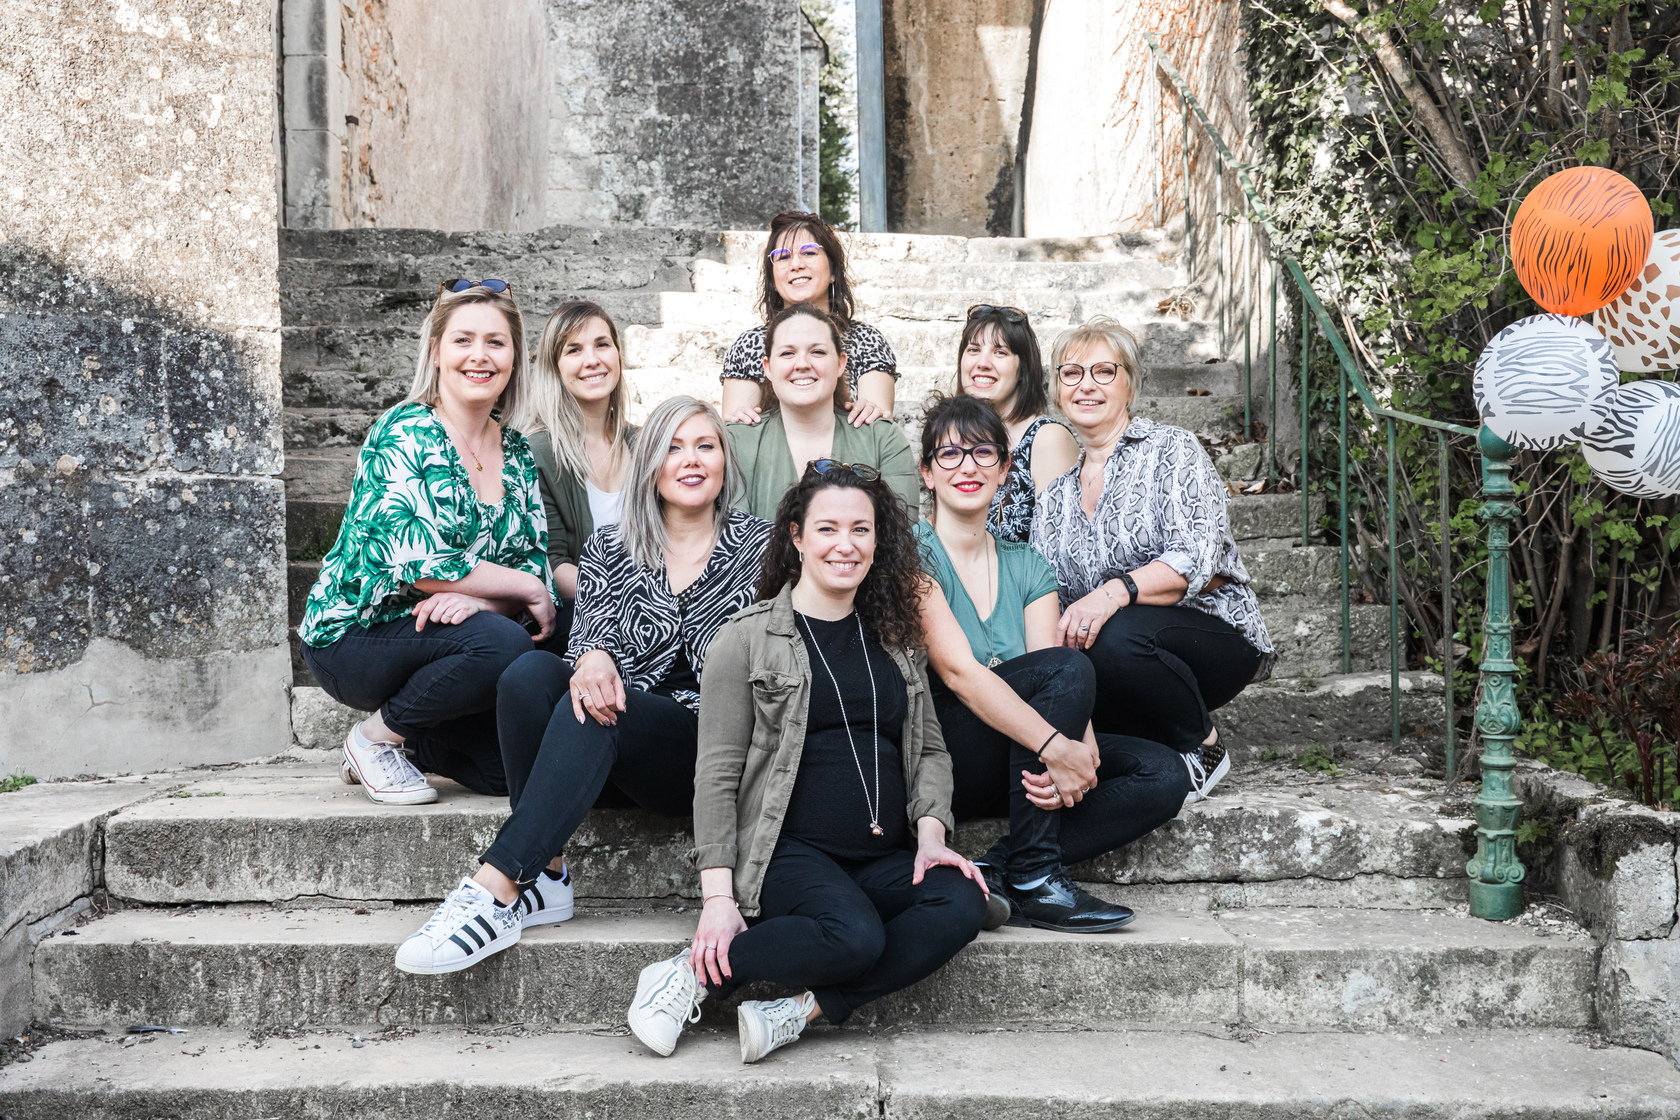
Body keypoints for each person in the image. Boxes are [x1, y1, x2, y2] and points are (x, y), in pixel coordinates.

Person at [391, 396, 772, 974]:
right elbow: (589, 634)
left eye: (705, 445)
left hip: (701, 756)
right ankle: (547, 875)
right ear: (649, 464)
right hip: (609, 747)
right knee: (528, 674)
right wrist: (592, 654)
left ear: (725, 460)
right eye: (671, 446)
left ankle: (494, 888)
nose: (689, 460)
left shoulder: (764, 551)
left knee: (600, 707)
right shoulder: (610, 546)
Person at [626, 463, 986, 1064]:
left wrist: (930, 837)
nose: (845, 545)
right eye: (827, 529)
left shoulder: (895, 638)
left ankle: (801, 1009)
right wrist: (718, 898)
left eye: (860, 530)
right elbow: (714, 774)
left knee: (962, 900)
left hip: (882, 853)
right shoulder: (745, 638)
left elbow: (926, 747)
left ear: (878, 539)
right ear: (796, 536)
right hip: (787, 853)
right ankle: (689, 973)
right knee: (857, 938)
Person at [914, 394, 1189, 932]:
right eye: (950, 455)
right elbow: (958, 675)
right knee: (1069, 668)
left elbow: (1046, 664)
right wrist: (1058, 746)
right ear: (926, 473)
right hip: (951, 751)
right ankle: (1038, 876)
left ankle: (999, 864)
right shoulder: (912, 556)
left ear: (1006, 469)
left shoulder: (1029, 564)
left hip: (1023, 761)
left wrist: (1080, 741)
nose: (968, 467)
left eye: (984, 453)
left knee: (1163, 773)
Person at [297, 279, 555, 805]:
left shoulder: (518, 450)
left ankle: (417, 742)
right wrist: (519, 589)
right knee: (502, 642)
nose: (479, 356)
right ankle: (374, 739)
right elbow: (418, 563)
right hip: (358, 635)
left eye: (495, 342)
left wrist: (482, 598)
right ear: (436, 352)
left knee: (512, 772)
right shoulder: (406, 431)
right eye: (462, 340)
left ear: (514, 359)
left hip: (455, 635)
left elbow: (535, 562)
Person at [1031, 316, 1275, 804]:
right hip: (1121, 662)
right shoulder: (1054, 498)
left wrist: (1111, 593)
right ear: (1056, 391)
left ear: (1130, 383)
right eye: (1071, 373)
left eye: (1103, 371)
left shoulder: (1170, 450)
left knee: (1111, 633)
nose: (1086, 386)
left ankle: (1203, 746)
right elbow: (1048, 592)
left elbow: (1196, 557)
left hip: (1208, 635)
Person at [510, 299, 637, 654]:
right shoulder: (540, 452)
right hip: (580, 616)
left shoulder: (644, 444)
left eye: (602, 344)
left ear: (617, 354)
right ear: (555, 367)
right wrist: (630, 598)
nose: (592, 360)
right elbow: (553, 563)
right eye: (574, 350)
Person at [726, 303, 919, 519]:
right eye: (787, 353)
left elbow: (901, 538)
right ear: (768, 368)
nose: (802, 364)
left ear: (840, 363)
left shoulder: (883, 438)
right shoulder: (736, 441)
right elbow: (733, 540)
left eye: (817, 352)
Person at [719, 210, 898, 425]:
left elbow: (876, 424)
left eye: (809, 252)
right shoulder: (750, 345)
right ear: (773, 279)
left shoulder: (865, 341)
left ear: (833, 271)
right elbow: (737, 431)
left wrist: (870, 410)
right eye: (783, 256)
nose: (795, 264)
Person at [953, 304, 1079, 542]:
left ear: (1023, 369)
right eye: (973, 350)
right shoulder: (953, 438)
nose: (982, 363)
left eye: (1000, 352)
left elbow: (1057, 554)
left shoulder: (1047, 440)